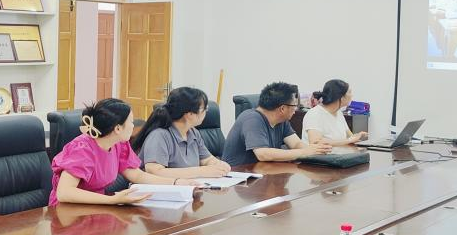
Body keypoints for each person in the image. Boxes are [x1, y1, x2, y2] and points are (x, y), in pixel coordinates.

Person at [50, 98, 194, 206]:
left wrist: (176, 182)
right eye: (131, 121)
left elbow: (137, 175)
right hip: (68, 212)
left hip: (97, 206)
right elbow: (64, 193)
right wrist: (112, 200)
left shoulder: (119, 144)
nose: (133, 125)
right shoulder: (82, 149)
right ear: (118, 128)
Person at [221, 81, 329, 166]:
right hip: (239, 177)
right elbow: (263, 154)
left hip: (263, 173)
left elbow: (295, 144)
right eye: (294, 106)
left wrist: (314, 151)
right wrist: (304, 152)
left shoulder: (282, 121)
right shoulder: (252, 119)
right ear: (282, 108)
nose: (295, 110)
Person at [131, 87, 231, 178]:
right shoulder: (159, 135)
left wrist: (220, 165)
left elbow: (207, 159)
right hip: (159, 190)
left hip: (187, 188)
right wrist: (200, 171)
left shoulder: (193, 133)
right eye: (204, 109)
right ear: (189, 114)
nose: (206, 112)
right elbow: (154, 171)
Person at [301, 80, 369, 146]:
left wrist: (357, 136)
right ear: (341, 97)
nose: (352, 95)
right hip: (322, 154)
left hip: (340, 153)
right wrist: (349, 140)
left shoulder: (338, 112)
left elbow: (349, 136)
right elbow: (316, 142)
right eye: (349, 92)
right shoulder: (314, 114)